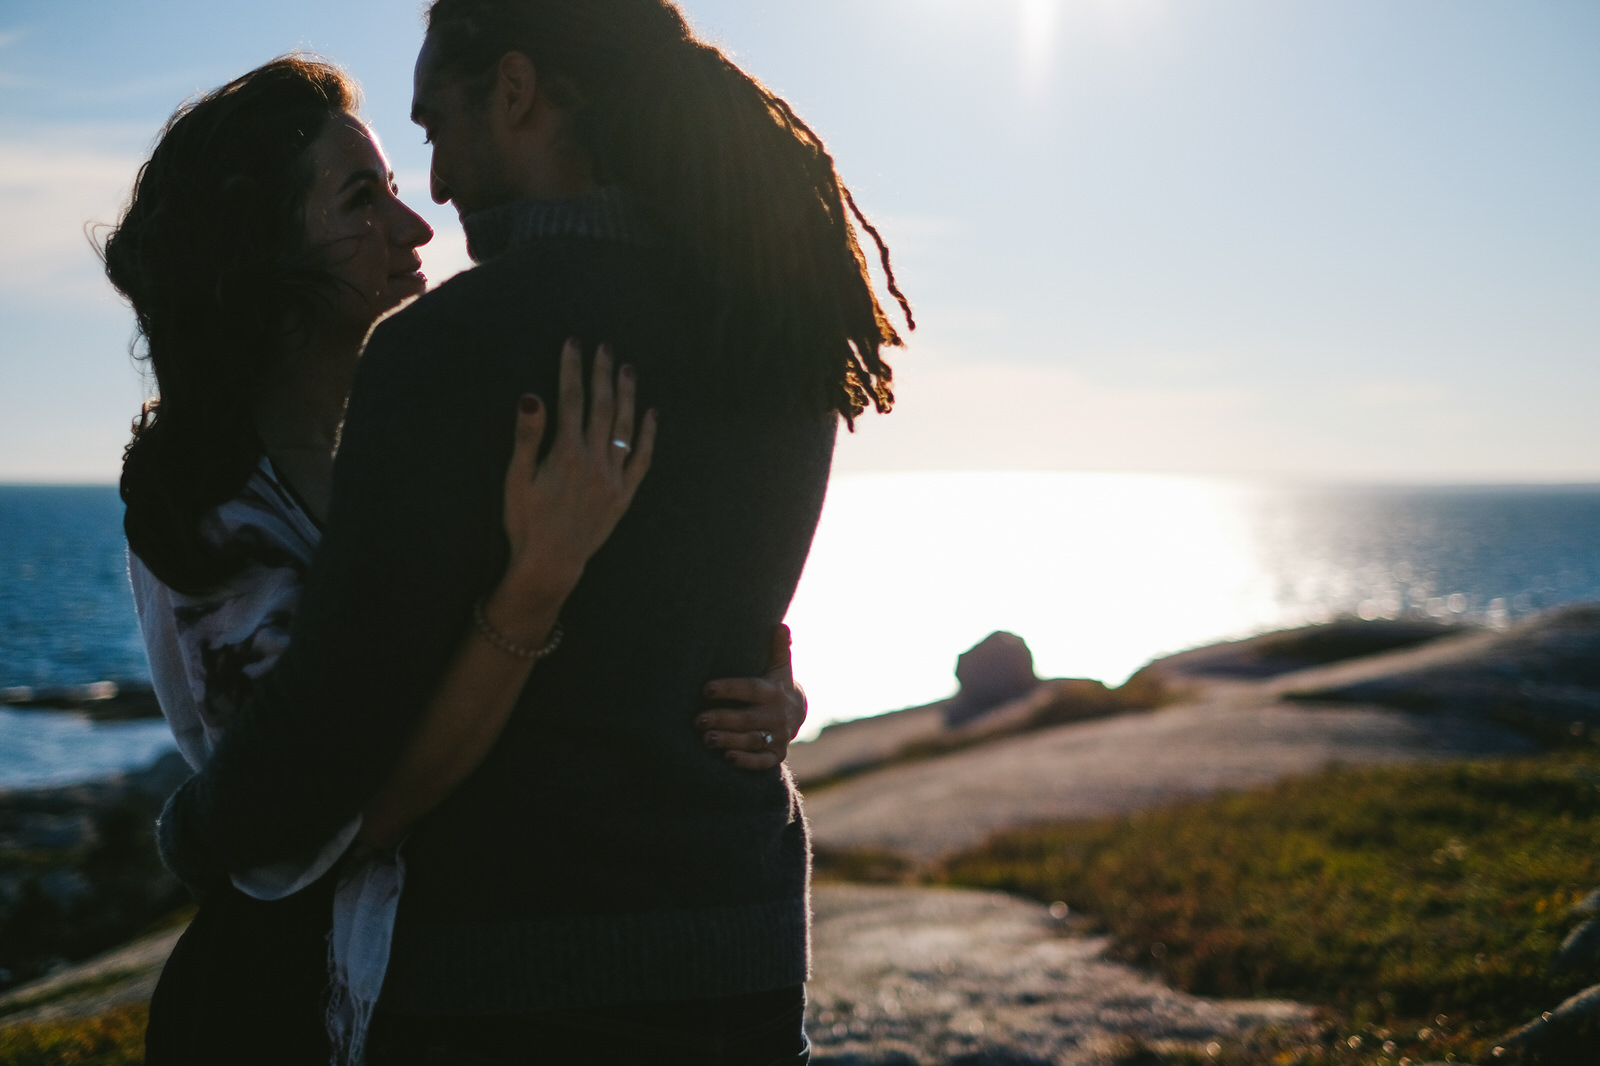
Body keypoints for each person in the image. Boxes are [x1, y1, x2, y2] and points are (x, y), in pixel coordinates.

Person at [158, 2, 913, 1062]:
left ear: (514, 92)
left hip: (508, 982)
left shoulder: (445, 352)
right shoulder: (781, 324)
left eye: (433, 131)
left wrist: (190, 833)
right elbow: (699, 616)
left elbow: (335, 719)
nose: (438, 187)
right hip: (741, 951)